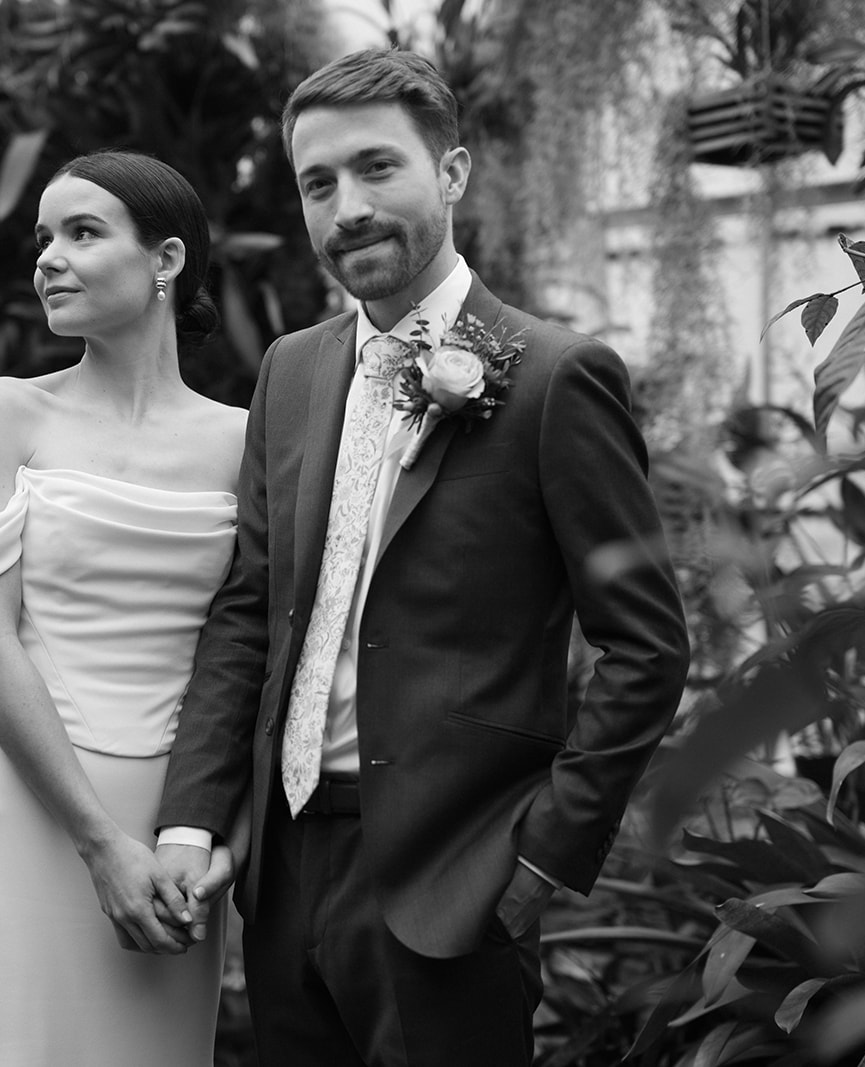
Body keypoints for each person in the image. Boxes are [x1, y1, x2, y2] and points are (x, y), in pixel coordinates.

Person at [153, 49, 692, 1066]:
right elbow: (248, 609)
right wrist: (191, 815)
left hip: (454, 875)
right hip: (282, 865)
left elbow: (647, 645)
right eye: (318, 184)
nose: (345, 206)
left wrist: (541, 856)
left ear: (449, 174)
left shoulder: (554, 379)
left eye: (376, 168)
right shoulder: (290, 369)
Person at [0, 149, 246, 1066]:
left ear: (167, 260)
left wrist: (226, 841)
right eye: (43, 238)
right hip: (25, 814)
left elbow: (260, 649)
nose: (48, 258)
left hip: (176, 840)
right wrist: (100, 843)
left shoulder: (246, 440)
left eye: (82, 232)